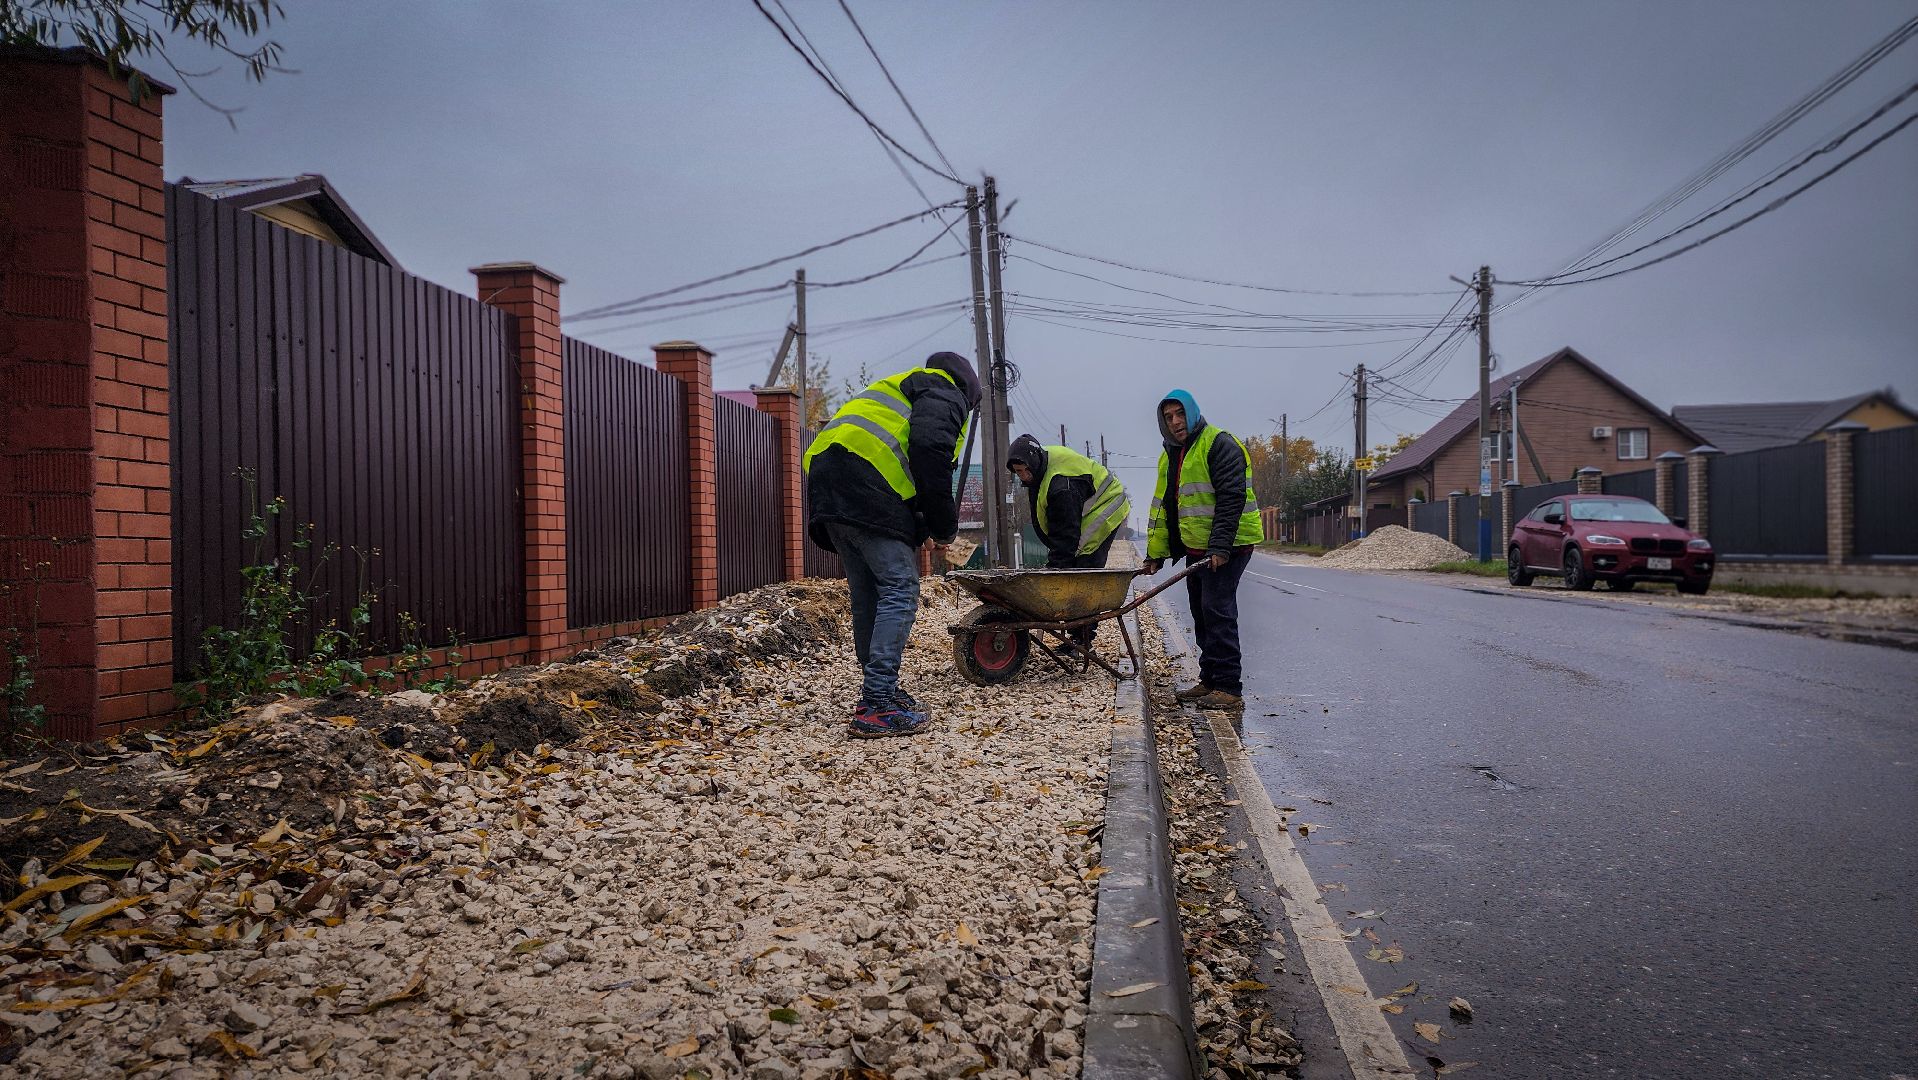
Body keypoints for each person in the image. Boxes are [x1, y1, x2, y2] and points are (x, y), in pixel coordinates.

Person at [805, 351, 979, 738]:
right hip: (865, 486)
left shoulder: (898, 388)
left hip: (829, 488)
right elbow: (929, 451)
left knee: (868, 595)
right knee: (900, 588)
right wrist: (944, 528)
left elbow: (906, 469)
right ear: (967, 389)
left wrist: (922, 525)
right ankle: (877, 704)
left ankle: (877, 693)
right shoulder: (945, 390)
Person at [1139, 390, 1263, 710]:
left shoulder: (1219, 444)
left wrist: (1220, 546)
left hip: (1230, 544)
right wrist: (1156, 554)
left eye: (1180, 414)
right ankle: (1209, 679)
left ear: (1192, 413)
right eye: (1169, 417)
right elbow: (1167, 509)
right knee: (1201, 611)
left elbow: (1231, 498)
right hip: (1198, 548)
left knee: (1217, 610)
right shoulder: (1171, 454)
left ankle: (1228, 687)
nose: (1176, 422)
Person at [1006, 434, 1132, 647]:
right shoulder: (1039, 466)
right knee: (1071, 565)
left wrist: (1055, 573)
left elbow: (1066, 536)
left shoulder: (1062, 485)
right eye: (1017, 472)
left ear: (1033, 463)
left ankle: (1082, 639)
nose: (1022, 476)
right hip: (1084, 506)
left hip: (1107, 506)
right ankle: (1076, 633)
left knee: (1082, 570)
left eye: (1023, 471)